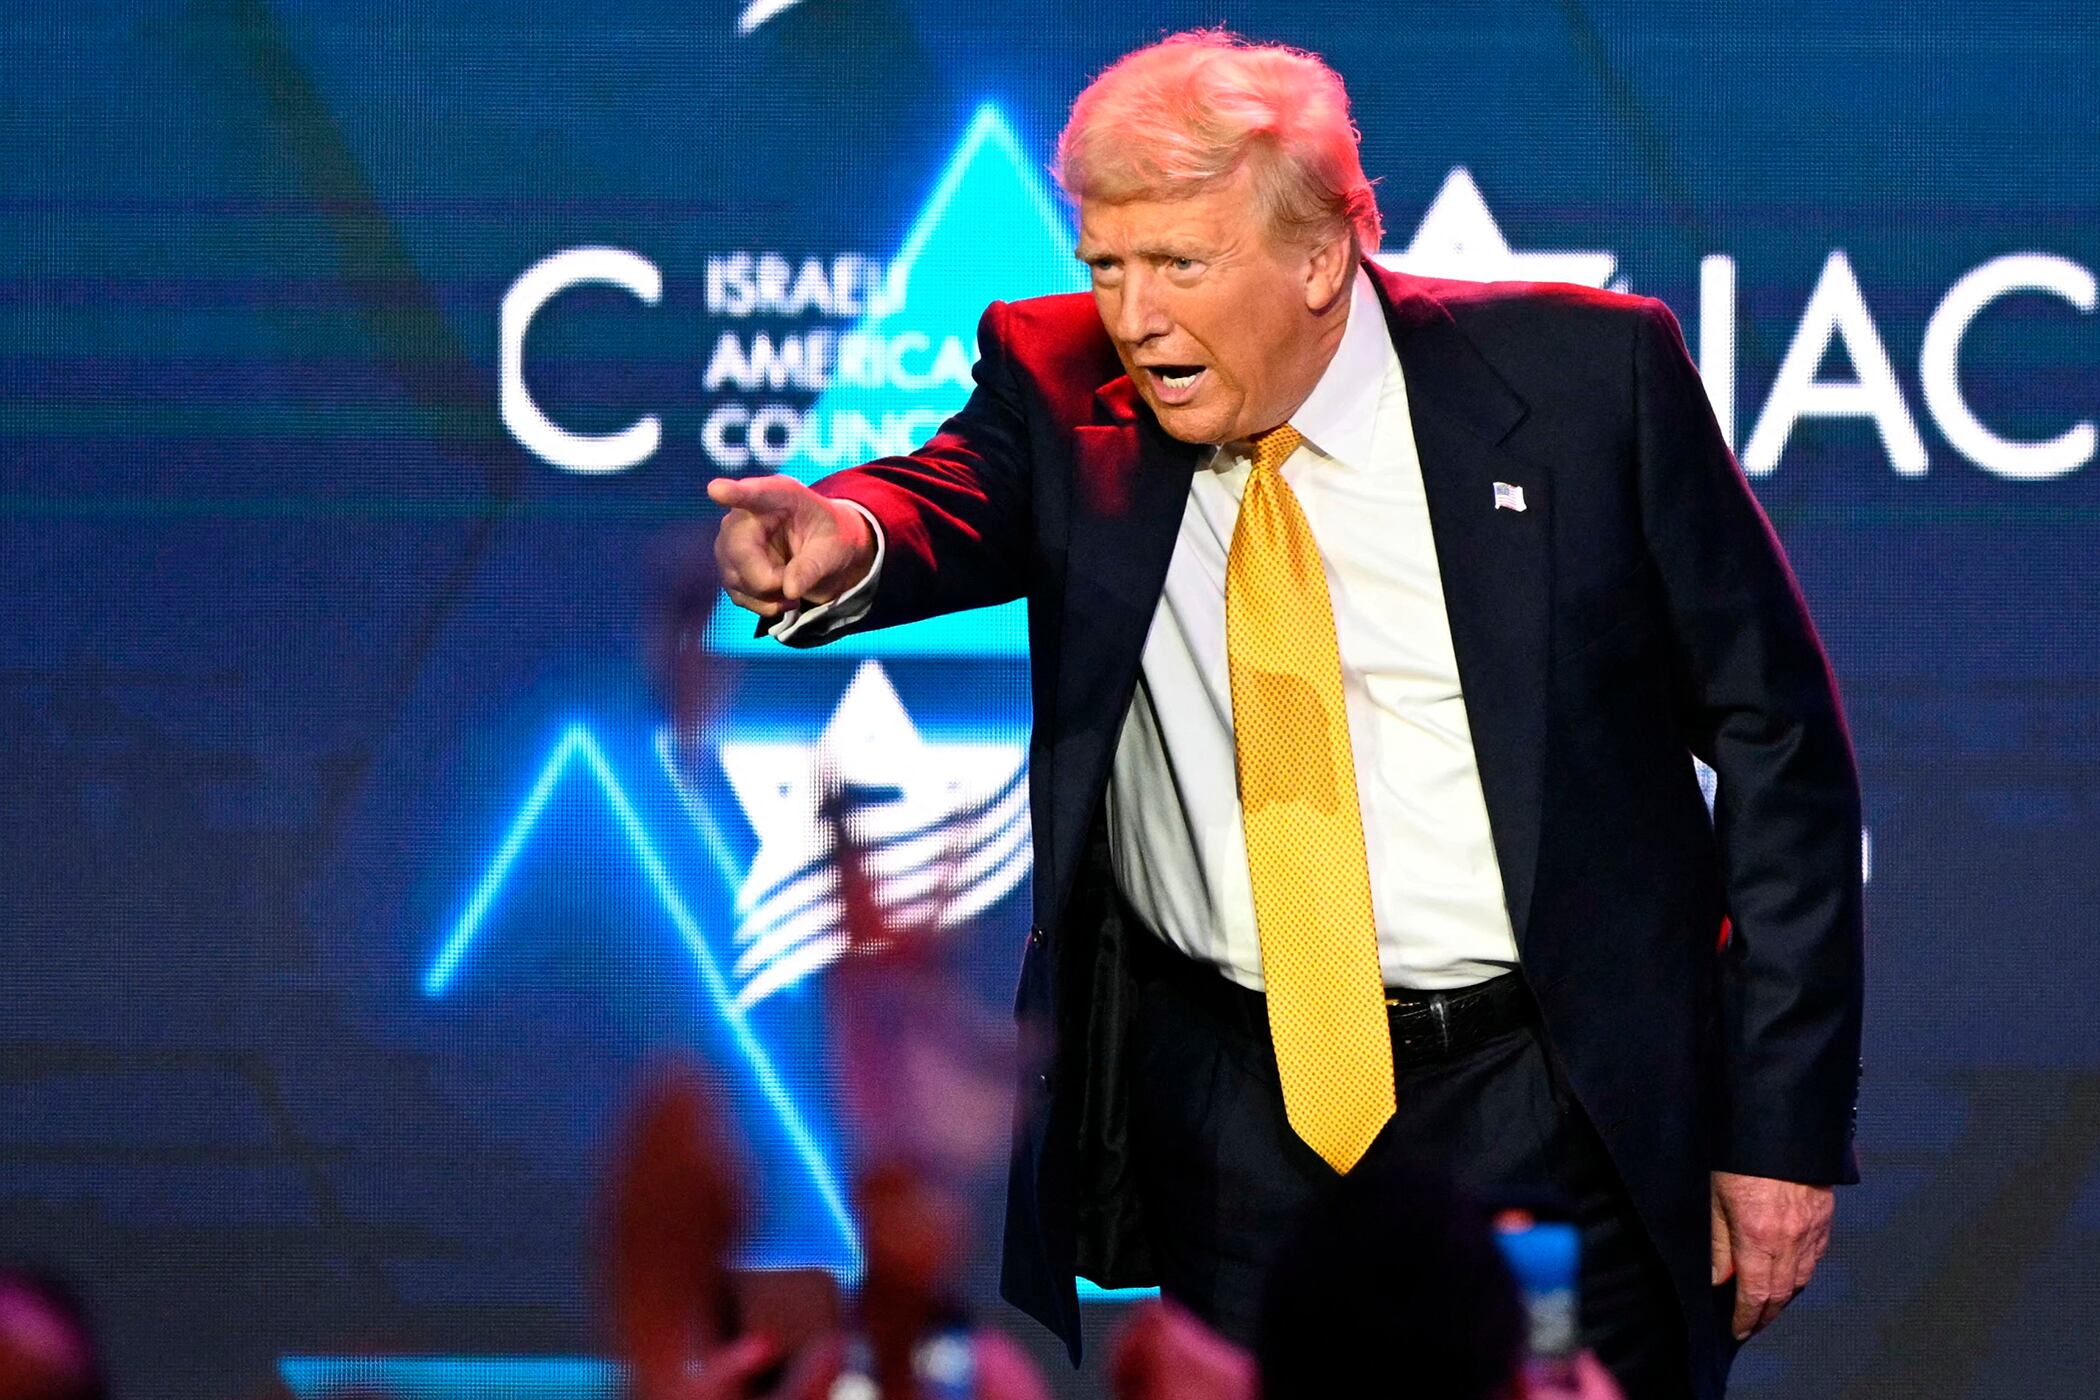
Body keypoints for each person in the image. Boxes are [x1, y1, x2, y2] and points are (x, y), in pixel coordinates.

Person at [709, 29, 1862, 1400]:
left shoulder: (1581, 384)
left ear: (1319, 261)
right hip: (1235, 1126)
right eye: (1108, 265)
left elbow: (1778, 742)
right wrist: (842, 536)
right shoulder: (1061, 376)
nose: (1135, 316)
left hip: (1540, 1103)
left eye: (1180, 265)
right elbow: (942, 499)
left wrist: (1780, 1129)